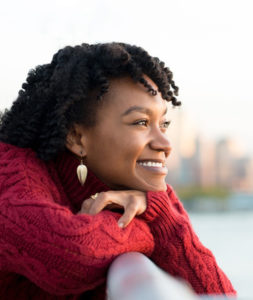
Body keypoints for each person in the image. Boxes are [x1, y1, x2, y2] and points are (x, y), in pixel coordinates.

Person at [0, 42, 236, 299]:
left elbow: (218, 295)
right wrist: (147, 228)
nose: (165, 144)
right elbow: (74, 254)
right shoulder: (13, 174)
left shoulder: (142, 195)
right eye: (141, 122)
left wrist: (158, 211)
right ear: (77, 138)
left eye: (164, 123)